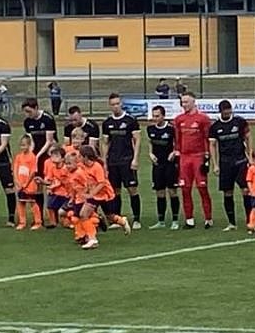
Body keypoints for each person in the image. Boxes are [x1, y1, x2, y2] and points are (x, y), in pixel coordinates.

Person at [76, 144, 130, 249]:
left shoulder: (97, 167)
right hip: (94, 195)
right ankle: (92, 239)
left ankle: (122, 221)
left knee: (109, 216)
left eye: (80, 156)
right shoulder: (82, 166)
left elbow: (101, 183)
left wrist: (91, 194)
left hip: (104, 194)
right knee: (83, 214)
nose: (78, 158)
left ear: (85, 157)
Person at [101, 93, 142, 229]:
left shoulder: (131, 120)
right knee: (115, 191)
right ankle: (117, 220)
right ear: (109, 106)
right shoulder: (107, 123)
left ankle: (136, 219)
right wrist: (104, 162)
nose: (115, 106)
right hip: (113, 161)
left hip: (127, 160)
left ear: (121, 104)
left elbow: (137, 140)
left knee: (132, 189)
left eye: (117, 104)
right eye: (113, 104)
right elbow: (105, 143)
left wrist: (135, 159)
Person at [210, 99, 252, 230]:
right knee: (227, 192)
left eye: (229, 111)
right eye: (225, 111)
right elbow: (212, 145)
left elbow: (248, 137)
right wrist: (215, 164)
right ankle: (232, 223)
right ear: (220, 111)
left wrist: (250, 155)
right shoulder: (215, 127)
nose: (228, 113)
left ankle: (250, 220)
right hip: (225, 163)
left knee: (246, 190)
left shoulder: (239, 122)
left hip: (241, 161)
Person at [174, 92, 213, 229]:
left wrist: (207, 156)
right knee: (185, 189)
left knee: (202, 188)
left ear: (193, 102)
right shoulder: (179, 119)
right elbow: (177, 139)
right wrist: (177, 152)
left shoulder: (203, 119)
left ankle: (208, 218)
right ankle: (189, 219)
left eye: (186, 102)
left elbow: (207, 138)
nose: (184, 105)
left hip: (198, 156)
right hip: (185, 158)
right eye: (182, 102)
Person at [146, 105, 180, 230]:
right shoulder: (150, 129)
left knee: (172, 192)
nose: (155, 118)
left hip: (170, 165)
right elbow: (150, 142)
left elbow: (178, 143)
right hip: (157, 165)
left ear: (163, 116)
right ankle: (161, 221)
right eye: (154, 116)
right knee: (159, 193)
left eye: (157, 116)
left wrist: (174, 152)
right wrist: (150, 153)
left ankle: (175, 220)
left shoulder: (171, 129)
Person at [12, 135, 44, 230]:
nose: (23, 147)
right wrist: (17, 181)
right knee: (21, 203)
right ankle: (22, 222)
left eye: (24, 145)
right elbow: (15, 169)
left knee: (32, 203)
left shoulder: (32, 157)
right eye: (21, 145)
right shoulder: (18, 157)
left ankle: (38, 222)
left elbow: (33, 172)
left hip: (29, 185)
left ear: (29, 145)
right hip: (20, 184)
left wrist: (26, 183)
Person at [20, 98, 58, 162]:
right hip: (36, 148)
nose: (27, 114)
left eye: (29, 111)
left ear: (36, 108)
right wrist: (31, 154)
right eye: (25, 112)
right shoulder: (27, 122)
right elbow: (31, 141)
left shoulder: (47, 119)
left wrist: (38, 155)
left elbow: (49, 141)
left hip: (48, 149)